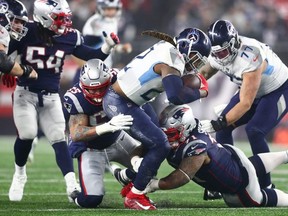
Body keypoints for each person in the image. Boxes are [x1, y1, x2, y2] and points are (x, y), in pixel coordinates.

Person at [8, 0, 120, 202]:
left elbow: (91, 55)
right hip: (25, 93)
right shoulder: (26, 31)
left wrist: (107, 47)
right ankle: (20, 174)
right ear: (43, 18)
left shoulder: (69, 37)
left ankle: (71, 184)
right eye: (59, 19)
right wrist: (9, 66)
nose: (65, 23)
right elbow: (5, 53)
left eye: (65, 18)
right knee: (27, 133)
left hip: (51, 95)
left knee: (59, 138)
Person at [102, 27, 211, 210]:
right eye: (196, 58)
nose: (196, 64)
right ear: (186, 48)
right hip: (120, 101)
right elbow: (175, 97)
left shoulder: (170, 48)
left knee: (158, 139)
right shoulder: (172, 60)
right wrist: (201, 92)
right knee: (160, 144)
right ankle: (135, 196)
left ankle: (132, 179)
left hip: (133, 100)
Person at [199, 19, 288, 189]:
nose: (219, 57)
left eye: (222, 53)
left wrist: (218, 122)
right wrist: (187, 87)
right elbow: (203, 74)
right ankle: (227, 178)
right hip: (252, 90)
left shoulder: (249, 57)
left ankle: (265, 185)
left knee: (254, 131)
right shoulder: (219, 52)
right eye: (215, 53)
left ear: (233, 44)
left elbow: (246, 103)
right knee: (224, 129)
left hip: (279, 89)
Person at [144, 104, 288, 207]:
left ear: (185, 128)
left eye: (171, 134)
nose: (167, 138)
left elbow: (182, 176)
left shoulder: (196, 146)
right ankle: (285, 155)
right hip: (232, 158)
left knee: (256, 200)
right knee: (248, 166)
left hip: (239, 183)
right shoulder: (190, 132)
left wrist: (155, 184)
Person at [63, 58, 141, 208]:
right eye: (92, 89)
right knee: (91, 200)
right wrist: (106, 126)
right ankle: (76, 196)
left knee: (148, 164)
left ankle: (124, 176)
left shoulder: (118, 79)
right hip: (92, 149)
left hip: (118, 139)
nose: (97, 93)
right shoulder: (76, 97)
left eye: (102, 88)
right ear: (82, 85)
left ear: (109, 81)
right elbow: (76, 133)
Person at [0, 0, 37, 87]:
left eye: (22, 23)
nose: (20, 27)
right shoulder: (2, 32)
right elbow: (3, 62)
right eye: (16, 22)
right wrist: (25, 70)